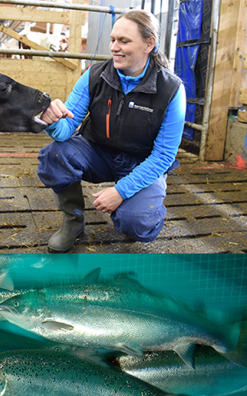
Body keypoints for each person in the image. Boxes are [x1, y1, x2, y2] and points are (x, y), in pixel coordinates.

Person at [37, 9, 185, 252]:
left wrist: (120, 191)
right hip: (98, 154)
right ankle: (73, 222)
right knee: (55, 154)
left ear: (149, 44)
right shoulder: (94, 76)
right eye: (113, 40)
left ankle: (139, 208)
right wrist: (51, 120)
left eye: (124, 41)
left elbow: (164, 156)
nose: (114, 47)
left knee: (136, 223)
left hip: (141, 163)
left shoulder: (171, 90)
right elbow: (65, 131)